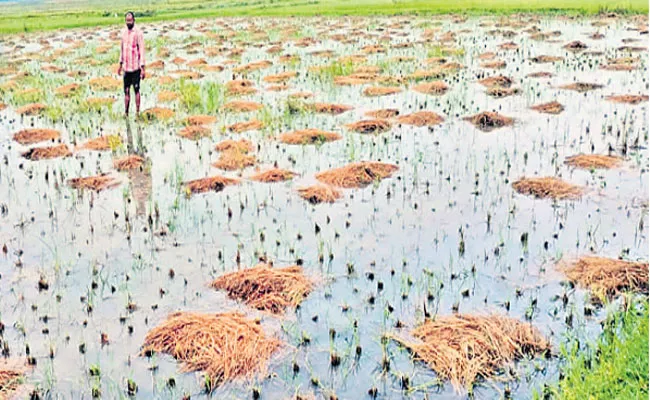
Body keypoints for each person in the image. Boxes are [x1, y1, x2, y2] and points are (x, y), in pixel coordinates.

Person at [118, 11, 145, 118]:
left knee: (136, 90)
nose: (128, 22)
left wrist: (142, 68)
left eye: (130, 20)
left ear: (134, 20)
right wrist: (120, 65)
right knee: (126, 91)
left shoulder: (138, 33)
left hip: (135, 67)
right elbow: (122, 50)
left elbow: (141, 51)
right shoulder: (123, 33)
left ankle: (138, 113)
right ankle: (126, 113)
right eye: (127, 20)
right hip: (126, 68)